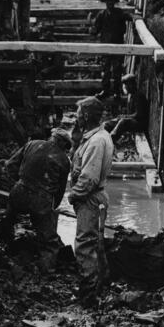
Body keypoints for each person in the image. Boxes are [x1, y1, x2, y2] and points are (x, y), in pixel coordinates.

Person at [0, 128, 73, 267]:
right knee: (49, 241)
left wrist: (18, 182)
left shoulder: (32, 144)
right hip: (41, 199)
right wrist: (52, 207)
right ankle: (46, 269)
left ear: (52, 137)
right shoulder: (64, 160)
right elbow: (60, 190)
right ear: (64, 145)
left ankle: (3, 252)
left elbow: (10, 165)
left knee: (9, 219)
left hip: (19, 191)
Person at [68, 96, 113, 307]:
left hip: (89, 198)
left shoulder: (96, 142)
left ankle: (88, 296)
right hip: (92, 198)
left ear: (86, 116)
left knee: (85, 244)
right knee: (94, 242)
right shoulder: (94, 137)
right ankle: (98, 287)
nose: (75, 118)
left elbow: (89, 179)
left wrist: (73, 195)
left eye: (78, 115)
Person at [91, 0, 128, 98]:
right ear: (106, 3)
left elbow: (128, 18)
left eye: (112, 2)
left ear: (114, 3)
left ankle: (117, 91)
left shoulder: (119, 13)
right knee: (106, 70)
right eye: (108, 2)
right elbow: (96, 29)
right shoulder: (102, 15)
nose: (110, 4)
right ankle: (105, 90)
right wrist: (92, 31)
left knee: (117, 70)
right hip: (106, 46)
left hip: (118, 46)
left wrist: (135, 18)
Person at [103, 73, 149, 140]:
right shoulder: (131, 95)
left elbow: (139, 115)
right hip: (133, 121)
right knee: (109, 123)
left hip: (140, 124)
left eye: (126, 85)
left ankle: (110, 139)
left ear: (132, 85)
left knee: (123, 122)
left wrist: (126, 116)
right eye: (125, 85)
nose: (125, 87)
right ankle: (104, 132)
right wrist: (124, 116)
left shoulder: (139, 96)